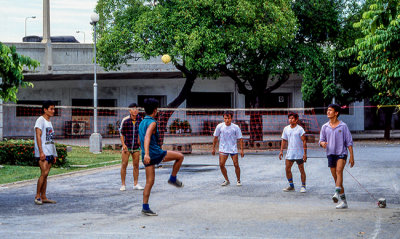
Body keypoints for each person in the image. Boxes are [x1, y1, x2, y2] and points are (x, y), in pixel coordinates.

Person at [138, 98, 184, 216]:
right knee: (180, 156)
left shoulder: (142, 122)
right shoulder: (152, 122)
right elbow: (147, 136)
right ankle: (173, 178)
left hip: (145, 154)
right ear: (155, 110)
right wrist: (148, 153)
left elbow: (140, 140)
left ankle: (145, 207)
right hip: (154, 153)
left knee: (149, 182)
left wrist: (144, 152)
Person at [319, 104, 354, 209]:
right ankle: (344, 202)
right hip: (330, 154)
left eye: (330, 110)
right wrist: (322, 144)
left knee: (339, 171)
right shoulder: (325, 127)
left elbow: (349, 142)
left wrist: (352, 157)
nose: (328, 112)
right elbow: (321, 140)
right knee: (336, 178)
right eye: (327, 110)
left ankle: (336, 193)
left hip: (341, 153)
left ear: (336, 113)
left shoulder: (343, 126)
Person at [34, 100, 58, 205]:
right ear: (45, 109)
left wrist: (54, 154)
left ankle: (43, 196)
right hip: (43, 152)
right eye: (51, 109)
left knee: (46, 175)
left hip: (50, 152)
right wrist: (41, 152)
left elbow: (51, 139)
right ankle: (37, 196)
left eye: (54, 108)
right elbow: (38, 136)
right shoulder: (40, 120)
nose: (53, 111)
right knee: (43, 173)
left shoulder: (49, 122)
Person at [212, 111, 244, 186]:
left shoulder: (235, 127)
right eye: (225, 118)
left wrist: (242, 150)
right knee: (221, 164)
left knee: (236, 164)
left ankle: (238, 180)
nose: (227, 120)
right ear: (223, 118)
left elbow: (240, 139)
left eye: (228, 118)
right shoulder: (220, 126)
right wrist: (213, 148)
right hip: (223, 148)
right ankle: (226, 180)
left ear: (231, 118)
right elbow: (215, 137)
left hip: (233, 148)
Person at [279, 112, 307, 193]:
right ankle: (291, 186)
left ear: (296, 119)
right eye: (289, 118)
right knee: (287, 169)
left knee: (301, 169)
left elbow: (304, 141)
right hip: (290, 153)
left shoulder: (300, 129)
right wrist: (281, 151)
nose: (290, 120)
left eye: (292, 118)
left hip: (299, 153)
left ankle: (303, 186)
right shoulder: (286, 129)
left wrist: (305, 154)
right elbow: (284, 140)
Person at [119, 103, 144, 191]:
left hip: (136, 147)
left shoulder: (141, 120)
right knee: (124, 164)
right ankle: (123, 184)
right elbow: (122, 134)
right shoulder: (125, 120)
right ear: (129, 110)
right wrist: (123, 145)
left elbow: (142, 133)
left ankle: (136, 184)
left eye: (137, 109)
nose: (135, 110)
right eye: (133, 109)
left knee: (136, 165)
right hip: (127, 146)